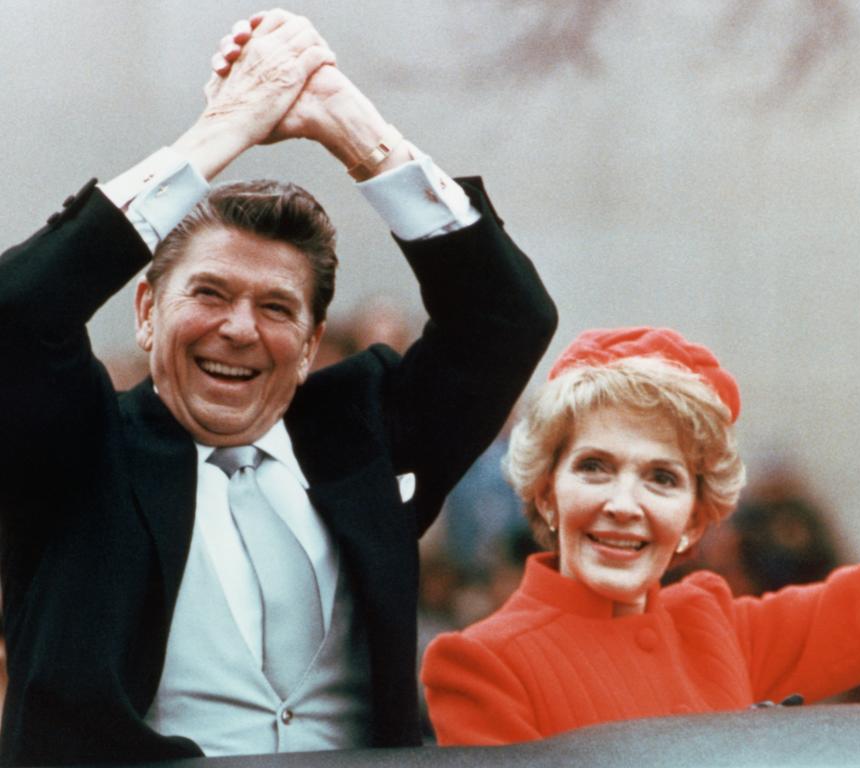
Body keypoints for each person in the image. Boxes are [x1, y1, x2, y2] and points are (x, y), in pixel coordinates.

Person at [0, 10, 556, 766]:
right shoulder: (78, 443)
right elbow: (16, 313)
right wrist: (224, 130)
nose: (239, 329)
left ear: (307, 347)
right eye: (210, 294)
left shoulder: (361, 441)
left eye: (275, 308)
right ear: (145, 310)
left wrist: (349, 127)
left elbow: (507, 318)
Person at [421, 312, 860, 745]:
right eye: (595, 467)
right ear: (546, 493)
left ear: (694, 521)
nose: (623, 504)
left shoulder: (712, 624)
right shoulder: (479, 664)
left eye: (661, 478)